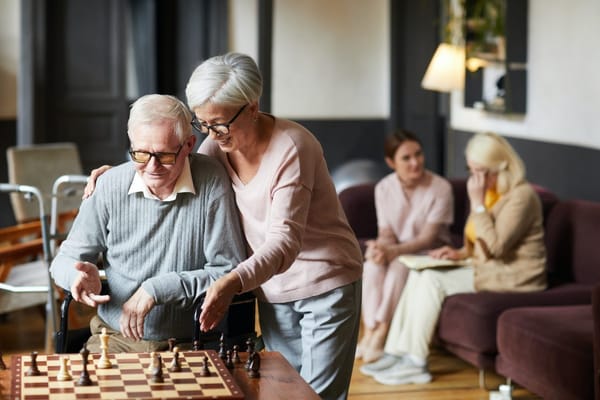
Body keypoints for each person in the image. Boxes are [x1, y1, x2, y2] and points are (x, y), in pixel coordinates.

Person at [84, 53, 363, 400]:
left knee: (318, 396)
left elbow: (284, 242)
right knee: (284, 388)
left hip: (324, 282)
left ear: (251, 106)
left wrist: (231, 281)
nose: (211, 134)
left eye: (219, 123)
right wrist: (119, 173)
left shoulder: (292, 147)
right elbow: (178, 166)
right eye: (202, 125)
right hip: (271, 285)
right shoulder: (217, 147)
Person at [51, 94, 246, 353]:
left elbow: (228, 271)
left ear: (188, 145)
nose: (152, 166)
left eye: (165, 155)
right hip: (115, 338)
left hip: (193, 341)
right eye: (141, 154)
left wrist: (157, 289)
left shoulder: (211, 181)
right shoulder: (109, 185)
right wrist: (76, 276)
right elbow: (61, 262)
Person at [360, 131, 547, 385]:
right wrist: (459, 253)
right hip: (486, 267)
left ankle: (416, 362)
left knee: (431, 281)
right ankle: (397, 353)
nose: (474, 179)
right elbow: (479, 243)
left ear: (498, 168)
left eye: (479, 171)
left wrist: (477, 204)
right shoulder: (492, 193)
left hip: (514, 276)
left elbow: (496, 247)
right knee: (419, 273)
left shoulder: (521, 196)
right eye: (471, 171)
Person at [358, 130, 453, 363]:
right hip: (397, 251)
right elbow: (387, 233)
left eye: (418, 155)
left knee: (399, 268)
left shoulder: (440, 188)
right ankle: (368, 330)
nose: (415, 162)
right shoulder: (383, 188)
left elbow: (428, 239)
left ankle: (381, 332)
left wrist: (392, 252)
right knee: (371, 267)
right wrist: (379, 249)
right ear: (391, 163)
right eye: (406, 158)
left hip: (429, 253)